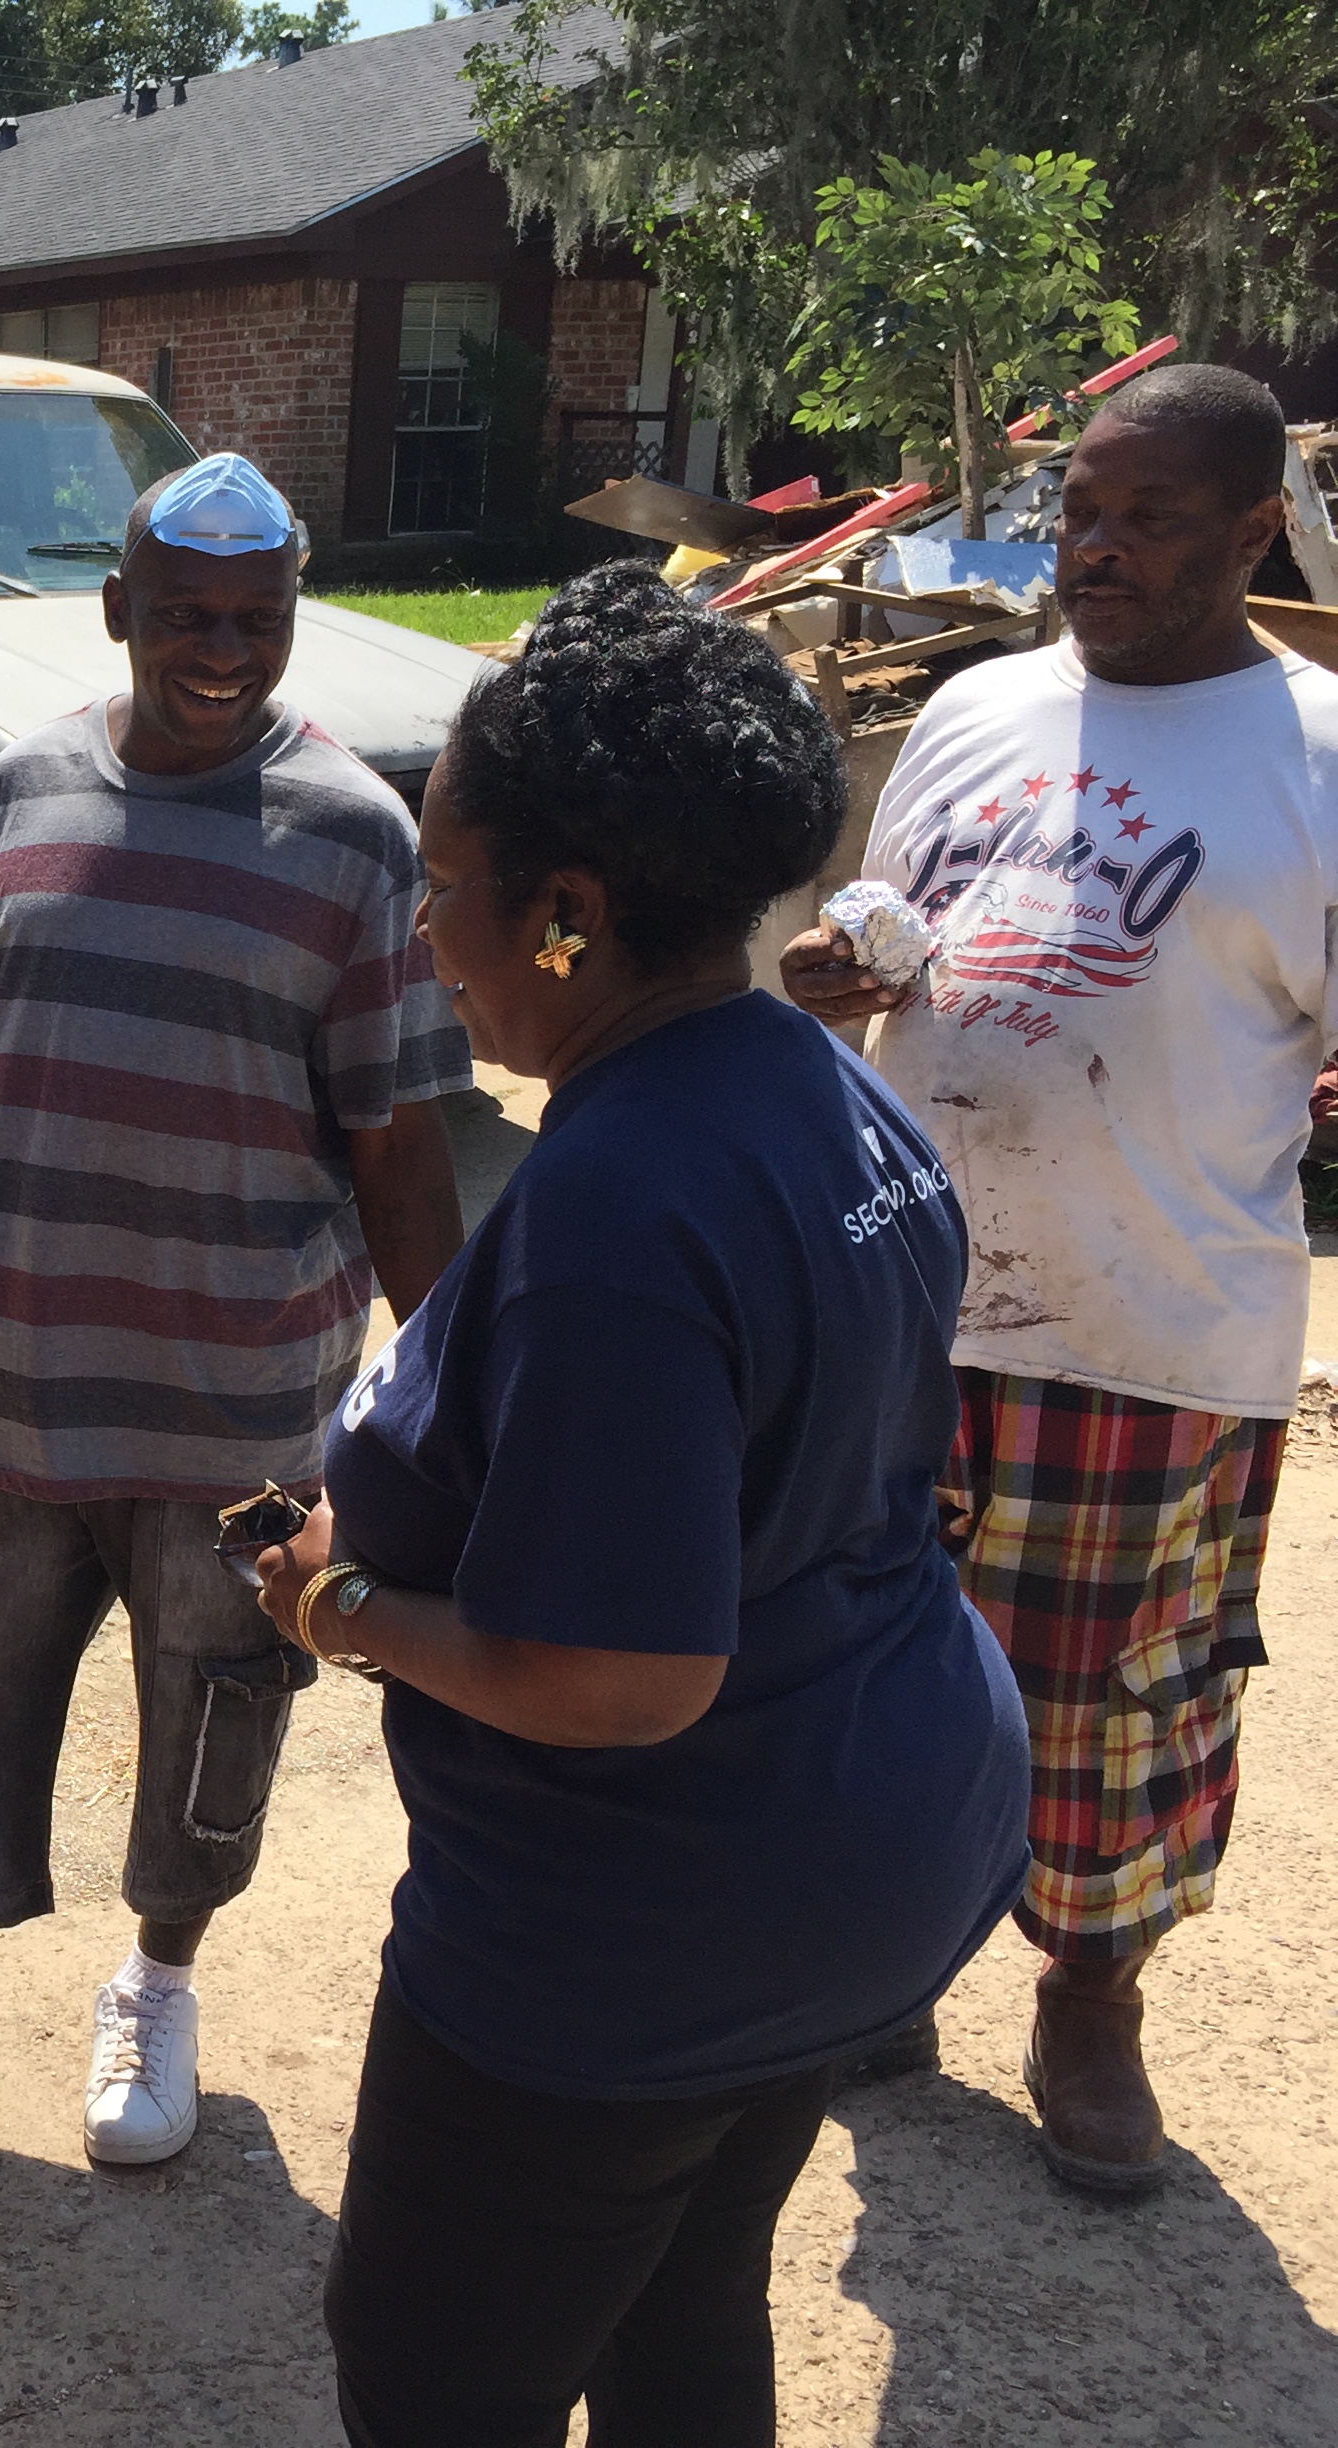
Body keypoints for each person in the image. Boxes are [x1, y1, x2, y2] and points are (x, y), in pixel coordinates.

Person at [253, 563, 1028, 2448]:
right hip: (859, 1841)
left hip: (638, 1930)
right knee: (678, 2284)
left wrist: (327, 1607)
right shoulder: (813, 1087)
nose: (425, 933)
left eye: (440, 886)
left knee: (435, 2361)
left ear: (568, 913)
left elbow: (620, 1676)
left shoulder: (615, 1214)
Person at [0, 452, 471, 2167]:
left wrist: (453, 1394)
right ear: (114, 611)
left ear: (289, 618)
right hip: (9, 1376)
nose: (217, 651)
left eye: (253, 619)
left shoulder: (353, 839)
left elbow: (397, 1152)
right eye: (182, 617)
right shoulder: (16, 794)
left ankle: (152, 1978)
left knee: (213, 1715)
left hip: (236, 1405)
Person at [782, 361, 1334, 2194]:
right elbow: (882, 924)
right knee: (863, 1656)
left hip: (1150, 1326)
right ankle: (878, 1956)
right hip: (896, 1300)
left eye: (1144, 518)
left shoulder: (1315, 758)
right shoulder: (969, 705)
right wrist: (834, 975)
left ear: (1252, 528)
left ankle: (1086, 2003)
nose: (1090, 550)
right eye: (1073, 513)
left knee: (1115, 1701)